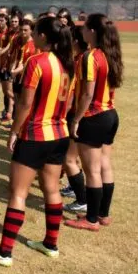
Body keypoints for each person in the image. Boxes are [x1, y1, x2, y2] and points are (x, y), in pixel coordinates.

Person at [0, 17, 73, 266]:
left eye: (36, 30)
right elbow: (68, 103)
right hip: (60, 134)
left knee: (18, 192)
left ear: (43, 37)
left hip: (36, 135)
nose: (33, 34)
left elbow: (25, 103)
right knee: (51, 189)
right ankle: (51, 243)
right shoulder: (66, 64)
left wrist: (14, 132)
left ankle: (5, 252)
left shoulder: (36, 62)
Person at [65, 14, 123, 231]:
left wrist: (76, 119)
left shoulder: (90, 56)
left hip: (94, 116)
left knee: (92, 171)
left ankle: (90, 220)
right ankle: (103, 214)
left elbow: (87, 94)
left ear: (93, 32)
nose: (82, 31)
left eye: (86, 27)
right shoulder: (110, 54)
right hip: (110, 114)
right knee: (105, 165)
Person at [61, 25, 89, 210]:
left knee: (69, 159)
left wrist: (66, 116)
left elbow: (71, 93)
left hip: (78, 115)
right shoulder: (81, 58)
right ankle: (78, 193)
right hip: (84, 115)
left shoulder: (80, 61)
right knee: (76, 159)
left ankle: (82, 200)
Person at [8, 19, 38, 127]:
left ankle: (22, 126)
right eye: (21, 30)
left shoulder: (33, 46)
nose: (23, 32)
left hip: (26, 79)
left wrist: (14, 71)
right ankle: (17, 123)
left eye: (26, 30)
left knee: (23, 103)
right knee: (16, 101)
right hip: (17, 77)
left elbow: (27, 64)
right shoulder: (19, 42)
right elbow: (16, 59)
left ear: (31, 31)